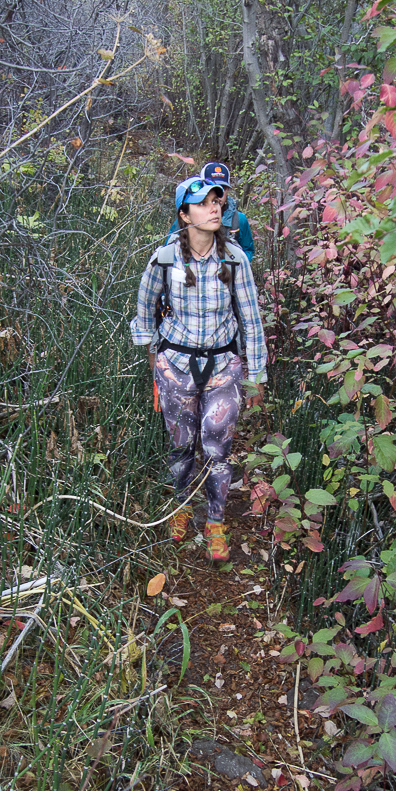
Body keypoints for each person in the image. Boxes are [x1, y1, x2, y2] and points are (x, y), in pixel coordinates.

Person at [131, 176, 267, 562]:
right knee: (181, 447)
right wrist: (153, 356)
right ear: (184, 214)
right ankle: (181, 507)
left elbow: (251, 319)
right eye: (204, 203)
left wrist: (256, 374)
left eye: (217, 202)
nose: (214, 208)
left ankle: (216, 522)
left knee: (217, 449)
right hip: (175, 366)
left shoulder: (234, 258)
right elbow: (144, 307)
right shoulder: (165, 257)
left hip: (223, 366)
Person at [167, 162, 255, 263]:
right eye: (202, 203)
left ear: (227, 190)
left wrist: (234, 262)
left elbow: (248, 250)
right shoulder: (186, 219)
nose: (214, 208)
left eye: (222, 188)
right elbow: (169, 248)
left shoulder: (239, 219)